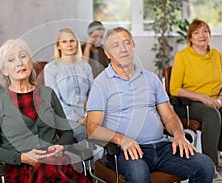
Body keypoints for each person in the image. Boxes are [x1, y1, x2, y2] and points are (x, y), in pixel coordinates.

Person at [86, 27, 215, 182]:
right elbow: (91, 128)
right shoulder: (101, 83)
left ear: (133, 46)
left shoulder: (151, 78)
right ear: (107, 53)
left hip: (162, 147)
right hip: (125, 151)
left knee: (205, 166)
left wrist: (179, 134)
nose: (123, 49)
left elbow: (168, 116)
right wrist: (122, 140)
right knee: (139, 174)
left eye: (127, 43)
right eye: (116, 45)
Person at [0, 39, 89, 183]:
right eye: (11, 60)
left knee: (49, 167)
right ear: (4, 70)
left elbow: (67, 132)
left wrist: (60, 146)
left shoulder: (48, 93)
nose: (19, 63)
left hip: (56, 164)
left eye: (23, 56)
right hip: (21, 168)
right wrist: (21, 158)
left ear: (30, 62)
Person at [170, 19, 222, 170]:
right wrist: (203, 98)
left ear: (210, 35)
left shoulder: (217, 56)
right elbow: (174, 89)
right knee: (212, 114)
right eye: (196, 32)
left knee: (216, 110)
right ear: (190, 37)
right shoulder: (183, 56)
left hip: (214, 100)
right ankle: (210, 164)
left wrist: (219, 99)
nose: (202, 35)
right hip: (188, 103)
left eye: (205, 31)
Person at [44, 28, 93, 144]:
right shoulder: (51, 69)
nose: (69, 44)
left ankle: (109, 160)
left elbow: (93, 94)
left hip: (88, 114)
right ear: (58, 46)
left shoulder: (86, 66)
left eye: (72, 41)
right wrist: (79, 119)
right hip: (65, 116)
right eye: (64, 41)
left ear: (77, 43)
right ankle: (88, 162)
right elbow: (56, 101)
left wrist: (91, 116)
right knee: (82, 132)